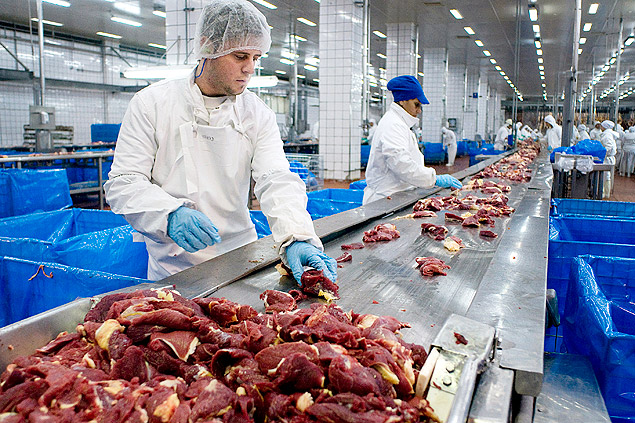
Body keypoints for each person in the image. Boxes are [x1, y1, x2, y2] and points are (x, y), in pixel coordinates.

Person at [104, 0, 337, 284]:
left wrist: (296, 235)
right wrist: (168, 213)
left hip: (241, 260)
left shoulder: (257, 113)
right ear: (208, 47)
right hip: (174, 266)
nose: (250, 68)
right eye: (240, 56)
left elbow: (275, 178)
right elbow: (124, 181)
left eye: (256, 57)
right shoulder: (152, 104)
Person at [363, 75, 462, 205]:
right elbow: (401, 164)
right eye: (416, 104)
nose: (419, 110)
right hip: (383, 200)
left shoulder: (400, 123)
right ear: (402, 101)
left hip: (396, 196)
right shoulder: (393, 124)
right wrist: (433, 178)